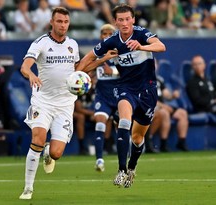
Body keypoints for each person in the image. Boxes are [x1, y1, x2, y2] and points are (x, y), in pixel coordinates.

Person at [76, 4, 166, 188]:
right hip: (126, 88)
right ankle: (121, 170)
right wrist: (76, 74)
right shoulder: (112, 41)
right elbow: (87, 59)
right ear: (115, 22)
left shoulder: (141, 34)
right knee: (124, 121)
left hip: (147, 90)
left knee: (138, 138)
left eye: (127, 19)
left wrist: (141, 46)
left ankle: (132, 168)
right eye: (120, 20)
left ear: (133, 19)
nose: (124, 23)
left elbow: (161, 46)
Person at [19, 7, 80, 200]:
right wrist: (31, 74)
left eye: (66, 22)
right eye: (59, 21)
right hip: (42, 101)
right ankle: (28, 188)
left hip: (64, 104)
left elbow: (78, 70)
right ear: (52, 23)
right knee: (37, 138)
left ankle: (48, 153)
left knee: (56, 152)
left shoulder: (73, 45)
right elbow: (25, 66)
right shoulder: (41, 43)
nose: (63, 25)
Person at [85, 23, 119, 172]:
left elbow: (131, 73)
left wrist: (112, 72)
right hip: (103, 96)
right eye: (104, 34)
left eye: (109, 33)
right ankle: (99, 159)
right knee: (100, 122)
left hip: (119, 96)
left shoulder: (121, 52)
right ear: (100, 36)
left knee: (123, 127)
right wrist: (88, 77)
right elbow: (87, 69)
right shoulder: (97, 54)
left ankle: (126, 161)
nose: (106, 36)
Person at [146, 72, 189, 153]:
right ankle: (161, 143)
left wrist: (173, 95)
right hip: (151, 106)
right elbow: (146, 97)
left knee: (182, 113)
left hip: (162, 106)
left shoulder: (159, 79)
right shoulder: (142, 79)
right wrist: (163, 106)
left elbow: (167, 95)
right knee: (164, 112)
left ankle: (181, 142)